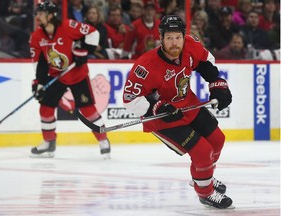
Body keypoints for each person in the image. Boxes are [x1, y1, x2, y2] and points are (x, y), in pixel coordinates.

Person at [122, 15, 233, 209]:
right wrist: (159, 107)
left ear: (184, 36)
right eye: (170, 38)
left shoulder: (190, 45)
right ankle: (205, 192)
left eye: (178, 37)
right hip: (162, 118)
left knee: (217, 140)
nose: (175, 43)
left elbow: (205, 63)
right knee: (202, 151)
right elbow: (130, 100)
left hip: (187, 104)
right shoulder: (145, 66)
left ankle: (201, 177)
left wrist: (218, 85)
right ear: (161, 39)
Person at [29, 1, 111, 159]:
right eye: (37, 13)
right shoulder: (36, 36)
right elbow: (38, 63)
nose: (37, 16)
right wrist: (39, 82)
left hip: (77, 74)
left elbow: (93, 33)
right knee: (45, 108)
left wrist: (84, 51)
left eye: (41, 12)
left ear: (51, 15)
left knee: (88, 110)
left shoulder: (67, 26)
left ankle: (103, 140)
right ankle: (49, 143)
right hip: (55, 75)